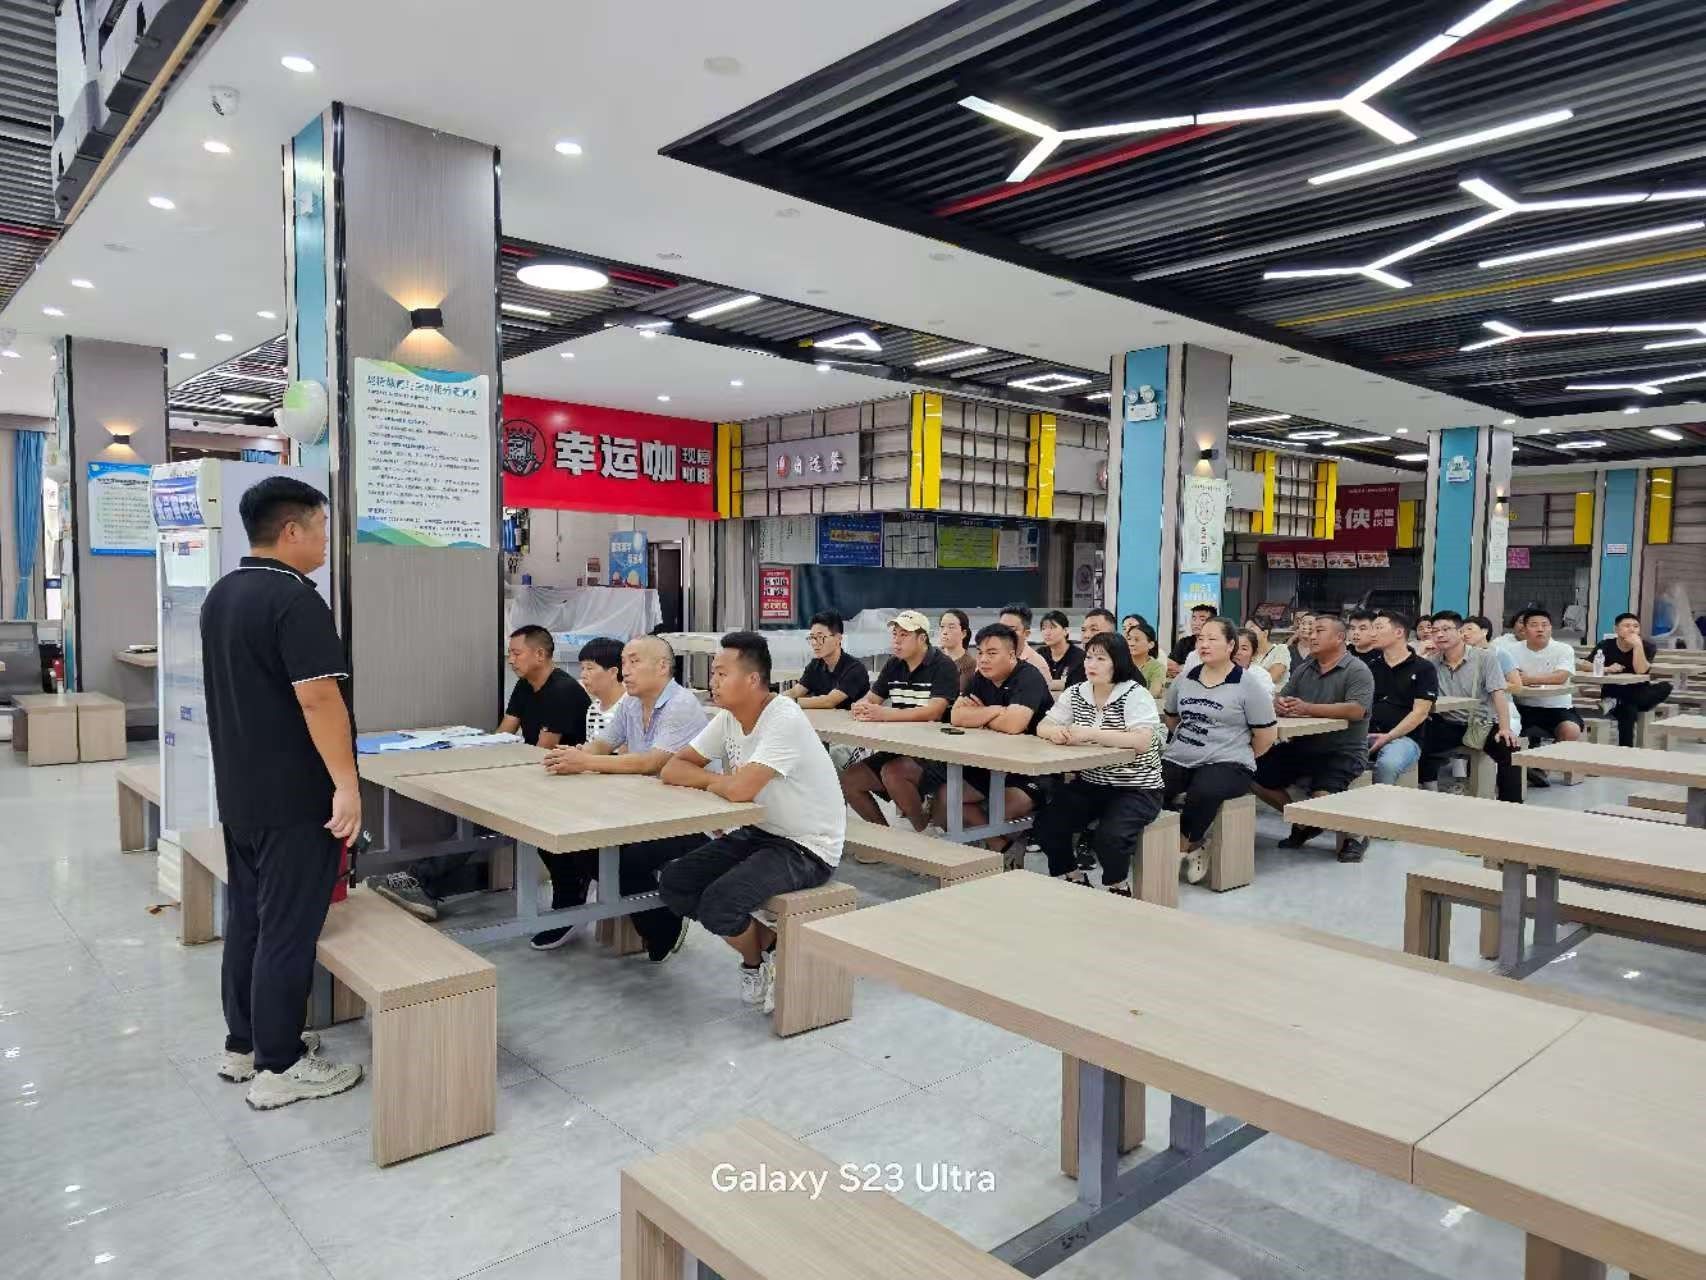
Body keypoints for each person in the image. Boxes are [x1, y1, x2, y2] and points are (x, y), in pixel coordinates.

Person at [200, 476, 363, 1110]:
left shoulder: (223, 594)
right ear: (292, 530)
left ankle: (243, 1045)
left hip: (241, 793)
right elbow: (318, 699)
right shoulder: (295, 601)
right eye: (321, 528)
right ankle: (280, 1064)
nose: (325, 541)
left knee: (248, 917)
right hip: (297, 798)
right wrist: (346, 786)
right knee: (289, 927)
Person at [659, 632, 843, 1013]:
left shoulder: (783, 717)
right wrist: (720, 783)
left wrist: (724, 784)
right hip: (761, 831)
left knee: (719, 903)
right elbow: (673, 768)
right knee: (675, 883)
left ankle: (755, 961)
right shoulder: (728, 717)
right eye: (713, 672)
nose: (712, 681)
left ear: (753, 680)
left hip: (807, 845)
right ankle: (769, 949)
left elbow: (741, 790)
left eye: (721, 673)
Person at [367, 625, 591, 922]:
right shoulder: (525, 686)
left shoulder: (563, 691)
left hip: (562, 781)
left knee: (482, 813)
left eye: (517, 653)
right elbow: (503, 733)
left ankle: (421, 880)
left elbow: (542, 751)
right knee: (470, 807)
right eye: (510, 654)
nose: (511, 660)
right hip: (535, 774)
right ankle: (422, 879)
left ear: (540, 654)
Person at [535, 635, 708, 958]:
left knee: (626, 859)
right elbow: (603, 744)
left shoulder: (681, 704)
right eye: (624, 662)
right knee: (570, 836)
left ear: (662, 667)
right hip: (641, 807)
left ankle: (665, 926)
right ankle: (571, 905)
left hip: (689, 817)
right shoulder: (631, 702)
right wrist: (573, 757)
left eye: (634, 661)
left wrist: (585, 762)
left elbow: (651, 763)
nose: (625, 670)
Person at [1034, 632, 1163, 893]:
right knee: (1047, 824)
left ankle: (1118, 886)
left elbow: (1141, 741)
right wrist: (1056, 732)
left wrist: (1089, 733)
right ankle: (1073, 876)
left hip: (1137, 788)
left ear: (1118, 662)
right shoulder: (1077, 692)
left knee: (1110, 838)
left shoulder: (1135, 694)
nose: (1091, 664)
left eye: (1101, 659)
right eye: (1089, 657)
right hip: (1093, 783)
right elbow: (1043, 726)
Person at [1251, 616, 1376, 862]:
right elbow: (1283, 697)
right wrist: (1280, 704)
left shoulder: (1357, 670)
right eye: (1311, 631)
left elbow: (1356, 710)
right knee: (1249, 770)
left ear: (1339, 638)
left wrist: (1307, 708)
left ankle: (1357, 836)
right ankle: (1303, 822)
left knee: (1322, 798)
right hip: (1302, 745)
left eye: (1319, 631)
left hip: (1343, 749)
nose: (1312, 635)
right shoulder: (1306, 668)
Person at [1162, 618, 1277, 883]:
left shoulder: (1247, 684)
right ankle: (1184, 843)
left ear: (1230, 645)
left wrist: (1238, 753)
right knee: (1150, 787)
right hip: (1181, 756)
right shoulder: (1185, 678)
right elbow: (1172, 718)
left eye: (1212, 639)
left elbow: (1266, 735)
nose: (1204, 644)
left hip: (1229, 761)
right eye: (1201, 639)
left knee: (1205, 790)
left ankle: (1184, 845)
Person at [937, 622, 1054, 861]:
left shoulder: (1028, 677)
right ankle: (1003, 850)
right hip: (991, 765)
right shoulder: (980, 677)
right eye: (980, 652)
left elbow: (1014, 725)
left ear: (1011, 655)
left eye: (992, 653)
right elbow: (956, 716)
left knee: (1000, 809)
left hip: (1032, 769)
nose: (983, 660)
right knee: (946, 798)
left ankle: (1000, 853)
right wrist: (996, 710)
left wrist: (980, 716)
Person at [840, 611, 960, 832]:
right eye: (894, 634)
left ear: (922, 638)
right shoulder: (894, 664)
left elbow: (933, 712)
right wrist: (861, 705)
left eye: (904, 635)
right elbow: (872, 698)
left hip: (935, 753)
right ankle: (885, 839)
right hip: (899, 746)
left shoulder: (943, 665)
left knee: (893, 773)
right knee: (850, 779)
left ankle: (923, 832)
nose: (896, 640)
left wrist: (884, 714)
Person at [1424, 611, 1523, 803]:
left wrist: (1504, 728)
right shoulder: (1431, 662)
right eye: (1435, 631)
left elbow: (1498, 695)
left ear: (1460, 632)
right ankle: (1428, 792)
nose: (1440, 635)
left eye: (1446, 629)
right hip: (1446, 722)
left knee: (1509, 749)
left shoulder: (1485, 658)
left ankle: (1511, 806)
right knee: (1416, 740)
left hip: (1481, 722)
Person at [1363, 610, 1437, 786]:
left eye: (1378, 627)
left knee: (1388, 765)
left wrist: (1388, 737)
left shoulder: (1424, 668)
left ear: (1398, 632)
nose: (1372, 633)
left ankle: (1382, 804)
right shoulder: (1369, 667)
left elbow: (1420, 713)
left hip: (1405, 738)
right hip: (1366, 734)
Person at [1512, 609, 1584, 774]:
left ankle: (1542, 769)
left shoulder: (1563, 649)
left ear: (1551, 628)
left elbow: (1560, 677)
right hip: (1522, 706)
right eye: (1534, 625)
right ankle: (1515, 770)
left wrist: (1528, 679)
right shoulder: (1512, 650)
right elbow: (1510, 676)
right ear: (1524, 629)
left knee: (1571, 730)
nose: (1540, 629)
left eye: (1545, 625)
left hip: (1557, 707)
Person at [1592, 612, 1671, 747]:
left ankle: (1616, 702)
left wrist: (1637, 646)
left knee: (1666, 686)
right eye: (1627, 626)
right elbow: (1585, 664)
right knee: (1629, 709)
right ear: (1616, 629)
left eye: (1636, 626)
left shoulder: (1647, 646)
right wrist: (1607, 668)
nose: (1632, 629)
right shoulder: (1605, 645)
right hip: (1613, 690)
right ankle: (1626, 750)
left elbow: (1641, 670)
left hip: (1640, 691)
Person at [784, 610, 871, 709]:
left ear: (838, 638)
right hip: (822, 718)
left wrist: (789, 702)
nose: (814, 643)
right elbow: (795, 691)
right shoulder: (815, 665)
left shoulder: (855, 669)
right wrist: (776, 699)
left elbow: (829, 701)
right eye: (812, 637)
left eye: (820, 637)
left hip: (851, 718)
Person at [578, 636, 627, 740]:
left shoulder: (632, 707)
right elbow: (592, 746)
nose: (583, 675)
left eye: (589, 668)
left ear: (613, 672)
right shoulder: (593, 708)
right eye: (582, 668)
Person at [998, 603, 1054, 683]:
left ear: (1026, 634)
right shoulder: (988, 656)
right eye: (1001, 628)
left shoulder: (1037, 665)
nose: (1004, 633)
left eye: (1011, 629)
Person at [1038, 609, 1085, 688]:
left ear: (1065, 631)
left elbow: (1077, 685)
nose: (1047, 633)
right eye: (1043, 628)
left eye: (1052, 628)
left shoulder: (1079, 657)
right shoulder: (1039, 655)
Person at [1167, 604, 1216, 677]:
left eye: (1202, 619)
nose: (1196, 623)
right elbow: (1169, 667)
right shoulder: (1184, 642)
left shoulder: (1217, 644)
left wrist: (1182, 668)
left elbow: (1211, 670)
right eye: (1194, 619)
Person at [937, 608, 977, 691]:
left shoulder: (971, 665)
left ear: (963, 633)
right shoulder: (931, 658)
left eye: (951, 627)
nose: (944, 632)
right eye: (942, 627)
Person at [1244, 618, 1291, 687]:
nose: (1246, 634)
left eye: (1251, 629)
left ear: (1265, 633)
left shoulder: (1280, 649)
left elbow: (1272, 678)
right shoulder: (1247, 654)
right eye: (1245, 630)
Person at [1126, 617, 1166, 696]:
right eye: (1129, 639)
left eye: (1137, 640)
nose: (1131, 643)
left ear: (1150, 644)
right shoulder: (1120, 663)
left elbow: (1154, 692)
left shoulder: (1157, 667)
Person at [1233, 628, 1276, 694]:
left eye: (1244, 649)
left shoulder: (1260, 676)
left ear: (1253, 654)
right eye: (1234, 647)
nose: (1237, 652)